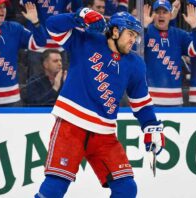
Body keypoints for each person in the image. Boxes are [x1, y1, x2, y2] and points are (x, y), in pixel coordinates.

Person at [34, 8, 165, 198]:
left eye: (135, 36)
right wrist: (79, 16)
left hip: (104, 134)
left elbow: (141, 103)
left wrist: (152, 126)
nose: (133, 40)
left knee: (126, 189)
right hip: (72, 126)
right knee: (55, 187)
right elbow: (52, 25)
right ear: (114, 31)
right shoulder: (86, 39)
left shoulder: (136, 64)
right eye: (130, 34)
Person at [144, 0, 196, 106]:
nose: (161, 15)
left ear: (171, 15)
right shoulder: (147, 31)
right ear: (153, 15)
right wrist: (143, 27)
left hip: (175, 100)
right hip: (149, 100)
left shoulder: (179, 35)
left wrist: (195, 26)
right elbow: (133, 50)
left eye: (165, 12)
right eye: (158, 12)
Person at [0, 0, 46, 107]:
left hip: (12, 98)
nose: (3, 10)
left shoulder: (15, 28)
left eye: (4, 7)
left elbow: (39, 43)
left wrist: (35, 21)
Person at [20, 0, 83, 77]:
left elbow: (78, 11)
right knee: (37, 83)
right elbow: (27, 5)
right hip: (38, 44)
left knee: (62, 83)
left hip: (61, 44)